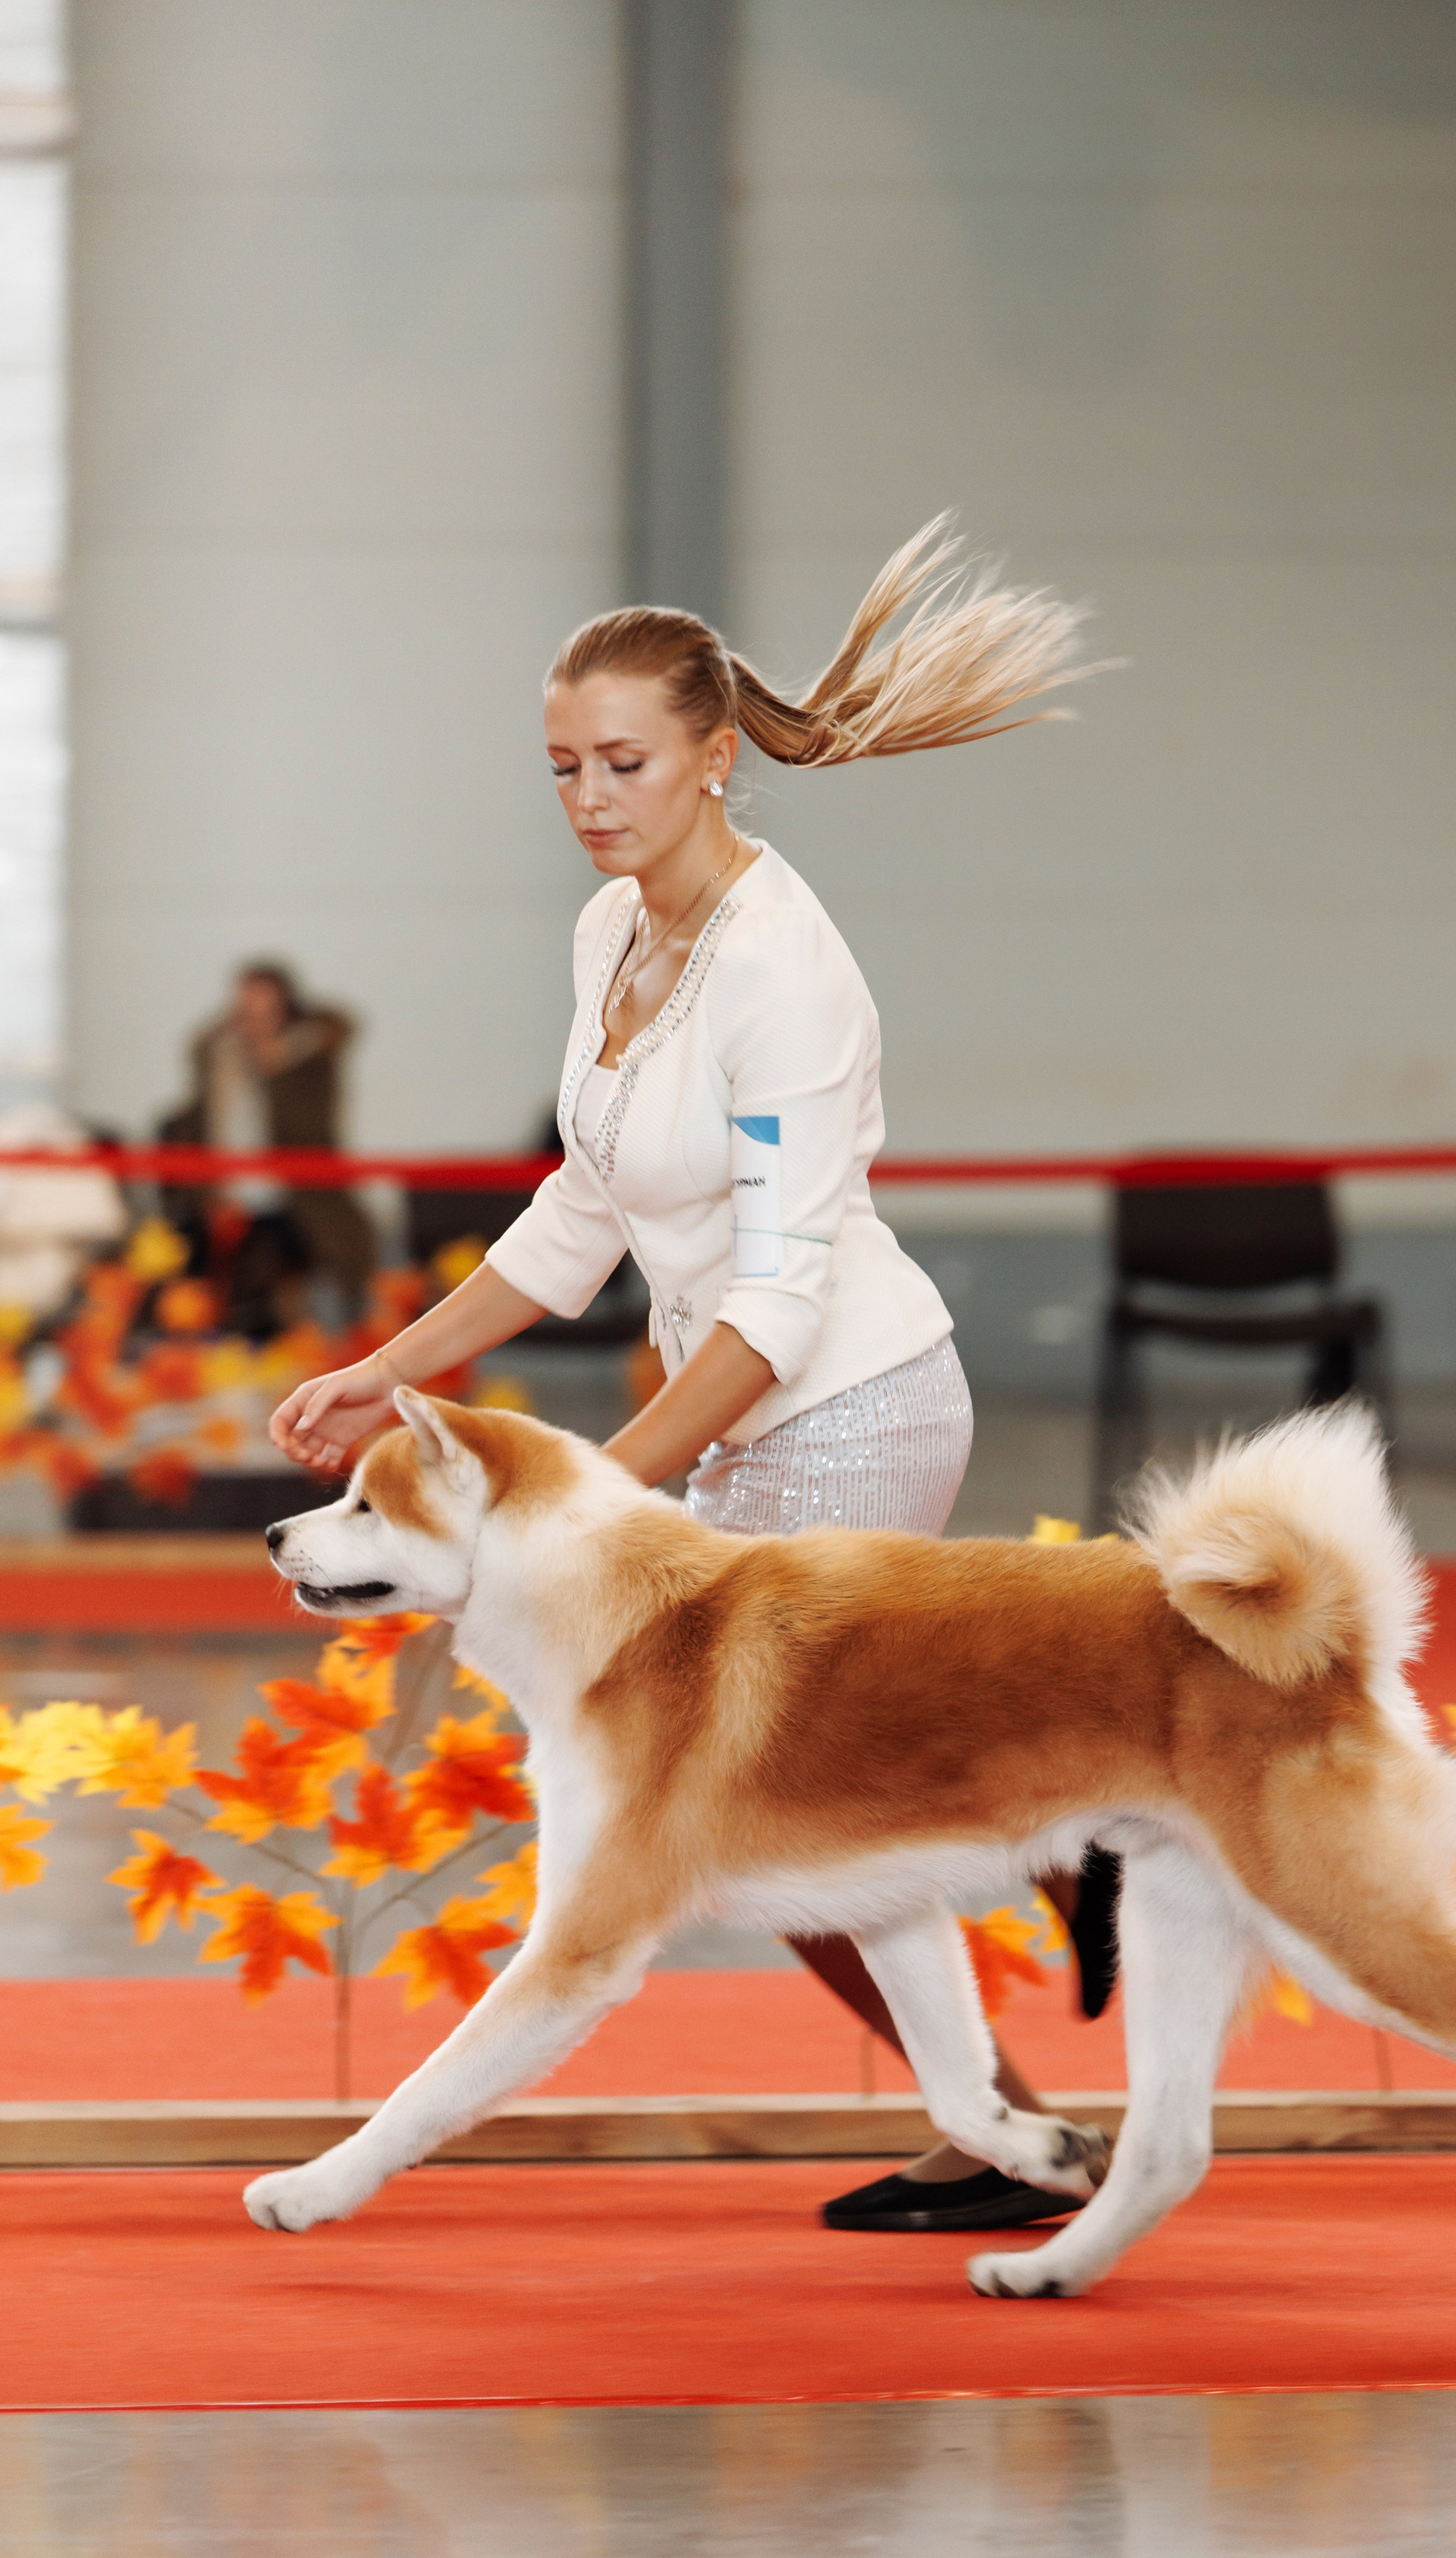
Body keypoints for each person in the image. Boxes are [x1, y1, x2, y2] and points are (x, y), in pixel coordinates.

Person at [269, 522, 1109, 2232]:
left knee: (759, 1819)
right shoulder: (611, 932)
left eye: (624, 762)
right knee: (782, 1815)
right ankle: (1022, 2041)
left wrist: (593, 1490)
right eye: (563, 766)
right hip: (724, 1410)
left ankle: (1015, 2085)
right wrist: (387, 1366)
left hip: (848, 1405)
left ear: (716, 757)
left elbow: (781, 1303)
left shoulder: (781, 972)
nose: (589, 798)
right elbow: (581, 1208)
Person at [163, 964, 376, 1334]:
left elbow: (339, 1025)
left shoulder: (304, 1059)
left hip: (296, 1198)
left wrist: (286, 1052)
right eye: (248, 1011)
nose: (257, 1024)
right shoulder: (221, 1057)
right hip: (222, 1200)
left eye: (268, 1012)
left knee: (312, 1280)